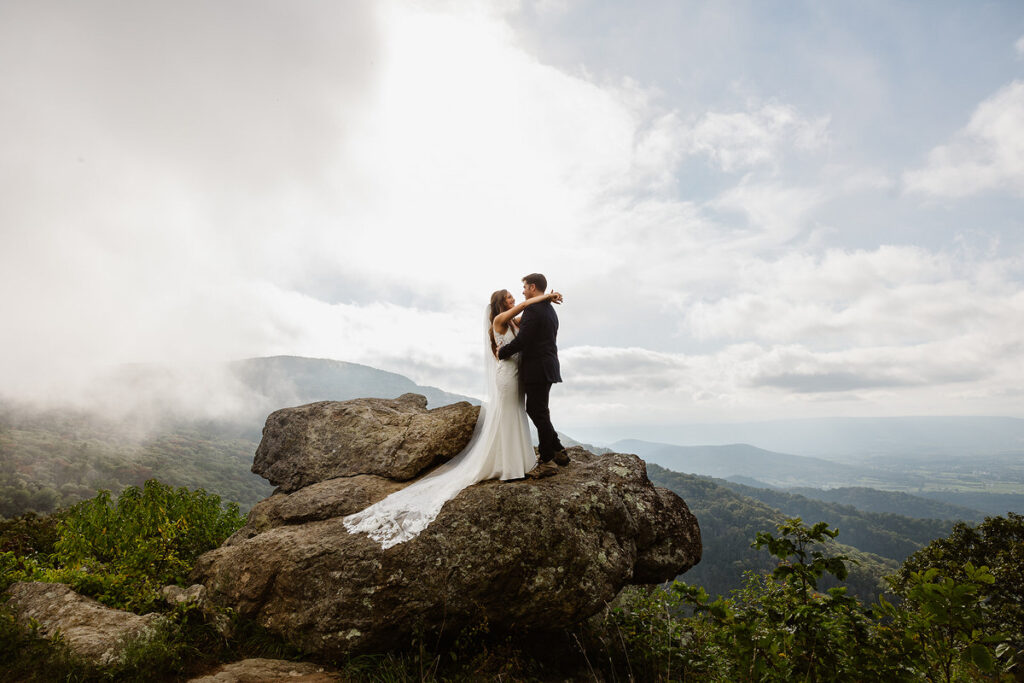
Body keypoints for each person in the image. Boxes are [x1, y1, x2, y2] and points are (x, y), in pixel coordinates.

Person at [342, 285, 563, 549]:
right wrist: (546, 297)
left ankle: (518, 460)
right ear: (500, 303)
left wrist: (545, 300)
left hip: (518, 376)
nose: (514, 297)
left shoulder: (513, 319)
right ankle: (508, 465)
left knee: (517, 414)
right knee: (507, 415)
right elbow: (524, 309)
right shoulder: (499, 319)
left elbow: (525, 323)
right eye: (508, 297)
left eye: (515, 295)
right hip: (507, 377)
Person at [497, 273, 568, 478]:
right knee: (540, 411)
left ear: (533, 287)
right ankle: (558, 451)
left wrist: (502, 353)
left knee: (537, 411)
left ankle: (547, 461)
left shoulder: (533, 309)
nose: (522, 291)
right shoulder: (548, 309)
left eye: (525, 287)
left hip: (537, 367)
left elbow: (523, 341)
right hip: (547, 365)